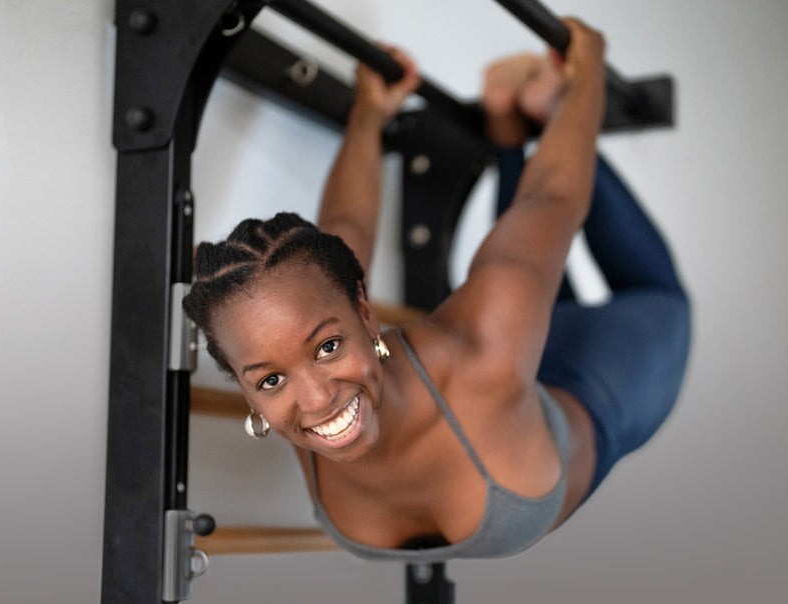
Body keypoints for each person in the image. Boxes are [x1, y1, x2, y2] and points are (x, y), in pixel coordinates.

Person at [183, 18, 690, 562]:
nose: (315, 399)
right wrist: (368, 117)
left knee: (659, 297)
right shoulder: (295, 413)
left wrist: (587, 74)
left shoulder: (481, 350)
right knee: (528, 299)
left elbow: (553, 200)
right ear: (241, 380)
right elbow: (342, 232)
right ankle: (509, 127)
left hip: (597, 384)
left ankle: (534, 116)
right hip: (516, 386)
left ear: (363, 311)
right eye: (270, 379)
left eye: (328, 347)